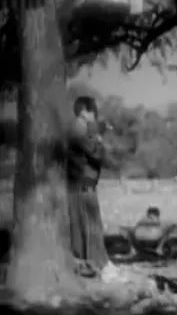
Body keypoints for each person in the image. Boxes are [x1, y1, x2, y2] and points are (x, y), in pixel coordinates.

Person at [66, 96, 116, 278]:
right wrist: (100, 140)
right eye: (93, 112)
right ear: (85, 111)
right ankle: (93, 267)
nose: (94, 116)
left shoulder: (79, 128)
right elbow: (95, 153)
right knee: (90, 228)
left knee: (84, 228)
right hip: (83, 185)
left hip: (81, 185)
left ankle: (88, 266)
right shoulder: (79, 128)